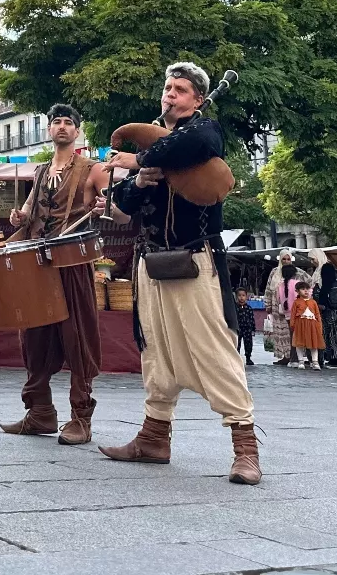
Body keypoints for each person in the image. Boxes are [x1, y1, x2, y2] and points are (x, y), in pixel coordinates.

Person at [99, 62, 260, 485]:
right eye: (168, 87)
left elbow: (191, 146)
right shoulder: (160, 142)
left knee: (212, 348)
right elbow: (124, 203)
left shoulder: (206, 133)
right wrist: (142, 180)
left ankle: (245, 448)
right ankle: (154, 437)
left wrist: (141, 158)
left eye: (181, 90)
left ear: (198, 100)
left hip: (194, 259)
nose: (170, 94)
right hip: (150, 262)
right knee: (156, 350)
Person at [0, 103, 108, 445]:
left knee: (76, 336)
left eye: (68, 123)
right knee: (33, 337)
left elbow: (116, 210)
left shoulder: (94, 169)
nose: (61, 127)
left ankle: (81, 418)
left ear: (77, 131)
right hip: (37, 263)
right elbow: (30, 210)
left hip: (71, 264)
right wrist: (19, 217)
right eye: (56, 122)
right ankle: (41, 413)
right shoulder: (42, 171)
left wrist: (108, 208)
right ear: (49, 130)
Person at [264, 252, 300, 365]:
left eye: (288, 259)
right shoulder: (275, 271)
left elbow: (307, 283)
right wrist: (268, 304)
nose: (285, 261)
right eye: (283, 259)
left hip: (292, 307)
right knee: (280, 333)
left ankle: (294, 355)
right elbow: (268, 288)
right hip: (276, 307)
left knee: (292, 332)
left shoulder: (297, 272)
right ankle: (284, 355)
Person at [290, 281, 325, 370]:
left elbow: (317, 314)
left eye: (307, 289)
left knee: (314, 343)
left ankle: (315, 361)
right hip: (300, 324)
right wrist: (292, 325)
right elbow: (293, 314)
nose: (305, 291)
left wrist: (319, 324)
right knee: (299, 343)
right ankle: (301, 361)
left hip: (312, 324)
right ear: (297, 291)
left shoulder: (313, 302)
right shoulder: (296, 302)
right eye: (303, 289)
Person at [235, 289, 256, 365]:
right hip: (238, 329)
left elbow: (252, 319)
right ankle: (236, 357)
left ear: (246, 297)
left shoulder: (249, 308)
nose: (241, 297)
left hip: (247, 329)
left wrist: (253, 329)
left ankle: (248, 357)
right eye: (239, 295)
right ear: (236, 297)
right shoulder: (235, 307)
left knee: (248, 343)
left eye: (243, 295)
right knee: (237, 343)